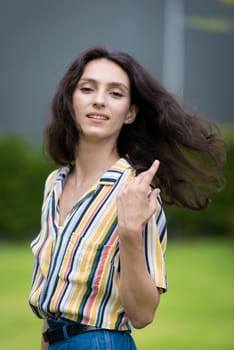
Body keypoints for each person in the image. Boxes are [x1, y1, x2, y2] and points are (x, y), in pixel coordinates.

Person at [29, 46, 226, 350]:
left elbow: (143, 314)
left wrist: (131, 232)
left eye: (116, 93)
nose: (99, 100)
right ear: (70, 100)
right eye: (87, 88)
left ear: (130, 112)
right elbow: (52, 297)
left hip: (100, 342)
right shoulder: (54, 184)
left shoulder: (137, 191)